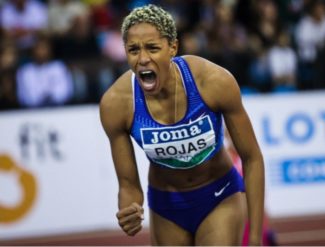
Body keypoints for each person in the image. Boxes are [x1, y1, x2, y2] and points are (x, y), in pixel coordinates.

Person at [99, 4, 265, 246]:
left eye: (153, 48)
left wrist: (256, 238)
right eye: (133, 50)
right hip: (166, 206)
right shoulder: (116, 104)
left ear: (172, 47)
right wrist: (130, 208)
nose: (143, 58)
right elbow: (128, 185)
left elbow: (252, 158)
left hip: (219, 195)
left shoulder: (213, 82)